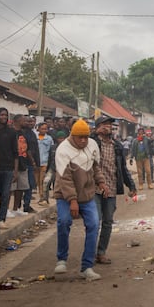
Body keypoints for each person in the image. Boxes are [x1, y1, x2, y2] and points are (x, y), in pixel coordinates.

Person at [53, 119, 106, 281]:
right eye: (80, 137)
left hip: (87, 195)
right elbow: (65, 179)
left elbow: (95, 167)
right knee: (64, 221)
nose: (83, 140)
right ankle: (62, 259)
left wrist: (101, 182)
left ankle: (87, 266)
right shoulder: (63, 150)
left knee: (94, 225)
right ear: (72, 136)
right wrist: (72, 200)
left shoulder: (92, 145)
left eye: (85, 137)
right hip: (65, 195)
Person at [91, 116, 137, 265]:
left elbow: (122, 168)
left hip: (111, 188)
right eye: (104, 124)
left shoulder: (117, 146)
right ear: (98, 127)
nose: (108, 127)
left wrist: (131, 186)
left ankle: (101, 252)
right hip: (94, 189)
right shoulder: (92, 143)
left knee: (108, 222)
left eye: (110, 125)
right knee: (95, 221)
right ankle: (90, 253)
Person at [0, 108, 18, 229]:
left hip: (8, 168)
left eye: (5, 115)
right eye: (1, 115)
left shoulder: (12, 132)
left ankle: (2, 219)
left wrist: (15, 171)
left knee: (5, 194)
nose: (4, 117)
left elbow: (15, 153)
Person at [36, 122, 54, 206]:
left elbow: (51, 150)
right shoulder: (35, 137)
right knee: (37, 181)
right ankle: (41, 196)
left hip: (45, 162)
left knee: (43, 181)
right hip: (36, 163)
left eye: (45, 129)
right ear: (38, 129)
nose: (44, 130)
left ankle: (43, 197)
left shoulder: (49, 139)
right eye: (42, 128)